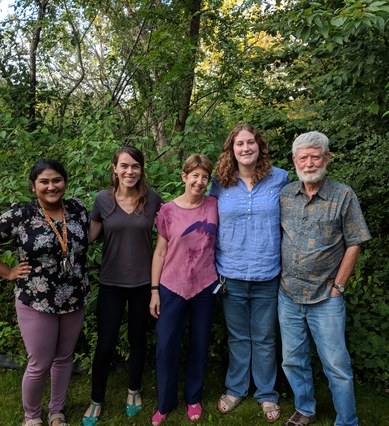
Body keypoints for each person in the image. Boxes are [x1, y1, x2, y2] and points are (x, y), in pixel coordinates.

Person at [0, 159, 90, 426]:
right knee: (39, 362)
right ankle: (32, 417)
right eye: (44, 182)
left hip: (74, 297)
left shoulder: (77, 209)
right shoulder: (20, 216)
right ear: (33, 187)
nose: (51, 186)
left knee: (64, 357)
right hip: (36, 299)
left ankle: (56, 413)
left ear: (65, 183)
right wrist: (7, 272)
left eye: (57, 180)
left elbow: (87, 239)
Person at [278, 131, 371, 426]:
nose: (308, 163)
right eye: (302, 157)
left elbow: (355, 242)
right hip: (288, 294)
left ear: (326, 158)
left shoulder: (343, 195)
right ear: (294, 160)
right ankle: (305, 409)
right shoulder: (285, 196)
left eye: (315, 156)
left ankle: (347, 420)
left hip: (325, 298)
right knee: (293, 360)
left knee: (337, 365)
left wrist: (338, 288)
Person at [208, 124, 289, 423]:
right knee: (238, 337)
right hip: (231, 273)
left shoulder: (279, 178)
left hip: (268, 272)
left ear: (259, 146)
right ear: (231, 149)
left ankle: (267, 393)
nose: (245, 148)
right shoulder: (219, 182)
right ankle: (236, 388)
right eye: (239, 144)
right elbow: (204, 217)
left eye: (250, 142)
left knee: (266, 338)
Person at [82, 146, 163, 426]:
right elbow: (88, 237)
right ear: (114, 168)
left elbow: (169, 233)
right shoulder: (102, 200)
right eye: (124, 166)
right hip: (111, 283)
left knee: (138, 340)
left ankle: (133, 390)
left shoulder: (152, 199)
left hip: (144, 283)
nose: (130, 171)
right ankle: (96, 399)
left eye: (136, 166)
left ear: (141, 170)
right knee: (105, 345)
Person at [149, 154, 219, 425]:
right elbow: (160, 252)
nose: (200, 182)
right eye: (195, 175)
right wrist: (154, 290)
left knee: (200, 345)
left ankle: (193, 398)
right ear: (184, 176)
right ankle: (165, 403)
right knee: (166, 347)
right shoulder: (167, 210)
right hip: (171, 285)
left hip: (204, 285)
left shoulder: (214, 205)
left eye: (204, 177)